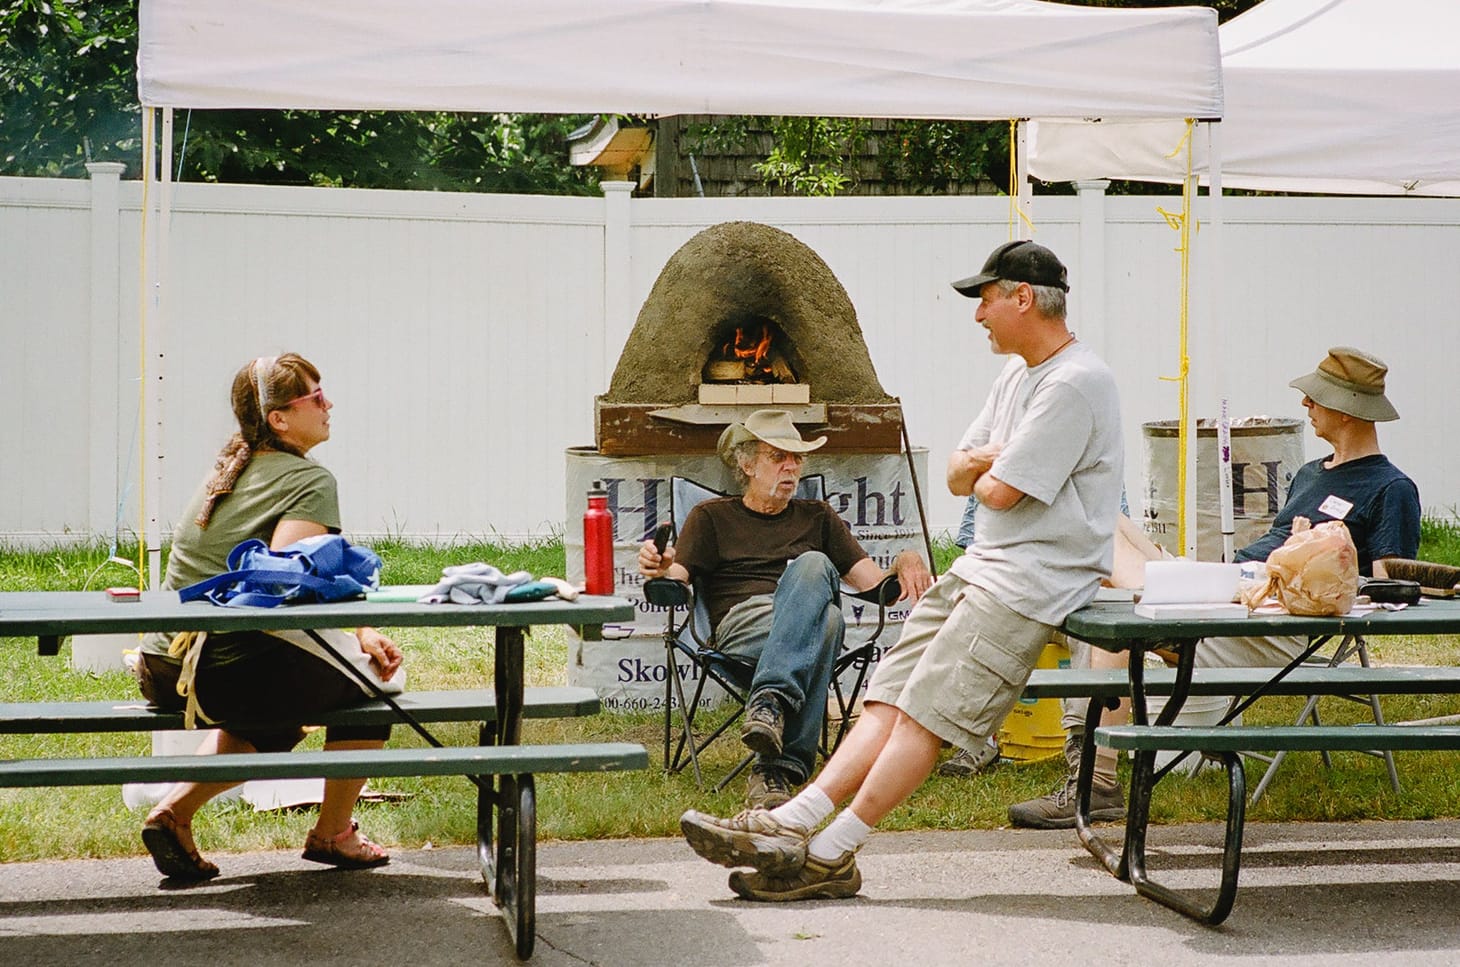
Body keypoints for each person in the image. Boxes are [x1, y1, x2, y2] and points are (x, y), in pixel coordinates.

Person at [676, 239, 1124, 901]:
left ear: (1022, 297)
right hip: (981, 566)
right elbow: (956, 473)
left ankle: (831, 852)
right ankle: (787, 821)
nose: (978, 316)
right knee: (888, 694)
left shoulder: (1076, 382)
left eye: (986, 299)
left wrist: (985, 466)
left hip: (1029, 581)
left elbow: (997, 492)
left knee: (927, 715)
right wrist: (991, 462)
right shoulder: (1018, 377)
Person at [1006, 345, 1420, 829]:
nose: (1306, 406)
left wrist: (1321, 558)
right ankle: (1092, 772)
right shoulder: (1311, 473)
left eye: (1317, 398)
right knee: (1099, 516)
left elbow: (1393, 592)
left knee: (1097, 569)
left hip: (1276, 616)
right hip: (1233, 586)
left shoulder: (1391, 488)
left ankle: (1096, 783)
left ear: (1348, 409)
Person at [133, 353, 404, 881]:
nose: (329, 404)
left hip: (161, 667)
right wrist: (364, 630)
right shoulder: (309, 480)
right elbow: (288, 583)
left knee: (295, 693)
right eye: (315, 397)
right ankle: (333, 833)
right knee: (377, 684)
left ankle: (174, 813)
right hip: (218, 672)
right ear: (279, 419)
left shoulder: (226, 472)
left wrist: (357, 627)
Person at [637, 409, 932, 809]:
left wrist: (905, 559)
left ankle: (770, 736)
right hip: (743, 626)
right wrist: (660, 568)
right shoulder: (711, 517)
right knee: (822, 610)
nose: (791, 467)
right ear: (746, 464)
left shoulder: (818, 517)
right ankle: (781, 754)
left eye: (797, 459)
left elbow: (878, 587)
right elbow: (678, 580)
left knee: (824, 609)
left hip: (798, 636)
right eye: (778, 457)